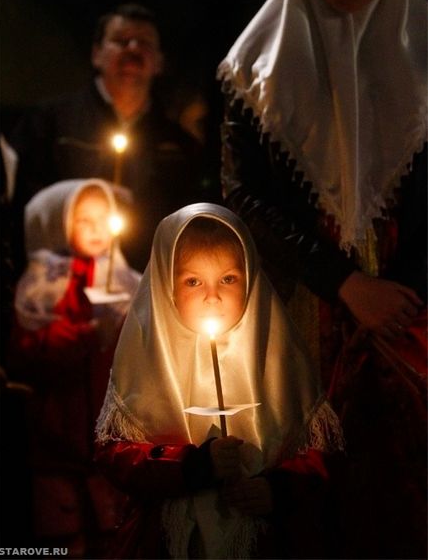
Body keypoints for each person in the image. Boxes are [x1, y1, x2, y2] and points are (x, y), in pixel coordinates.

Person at [218, 0, 427, 557]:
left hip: (409, 312)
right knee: (309, 482)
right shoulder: (254, 69)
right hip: (303, 303)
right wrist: (345, 283)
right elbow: (246, 197)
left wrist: (406, 294)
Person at [95, 202, 344, 559]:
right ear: (166, 284)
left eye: (228, 279)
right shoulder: (146, 355)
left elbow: (321, 450)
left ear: (251, 276)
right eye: (193, 281)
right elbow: (114, 455)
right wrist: (193, 465)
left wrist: (279, 488)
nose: (213, 297)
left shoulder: (276, 351)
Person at [8, 3, 205, 271]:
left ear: (158, 62)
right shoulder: (49, 122)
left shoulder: (179, 145)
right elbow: (24, 206)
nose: (133, 49)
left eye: (144, 43)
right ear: (96, 54)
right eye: (121, 41)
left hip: (141, 287)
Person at [8, 178, 141, 558]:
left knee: (110, 534)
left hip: (107, 438)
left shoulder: (122, 278)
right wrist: (86, 332)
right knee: (63, 541)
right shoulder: (42, 286)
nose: (99, 229)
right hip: (56, 438)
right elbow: (29, 351)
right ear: (58, 221)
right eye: (85, 220)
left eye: (105, 218)